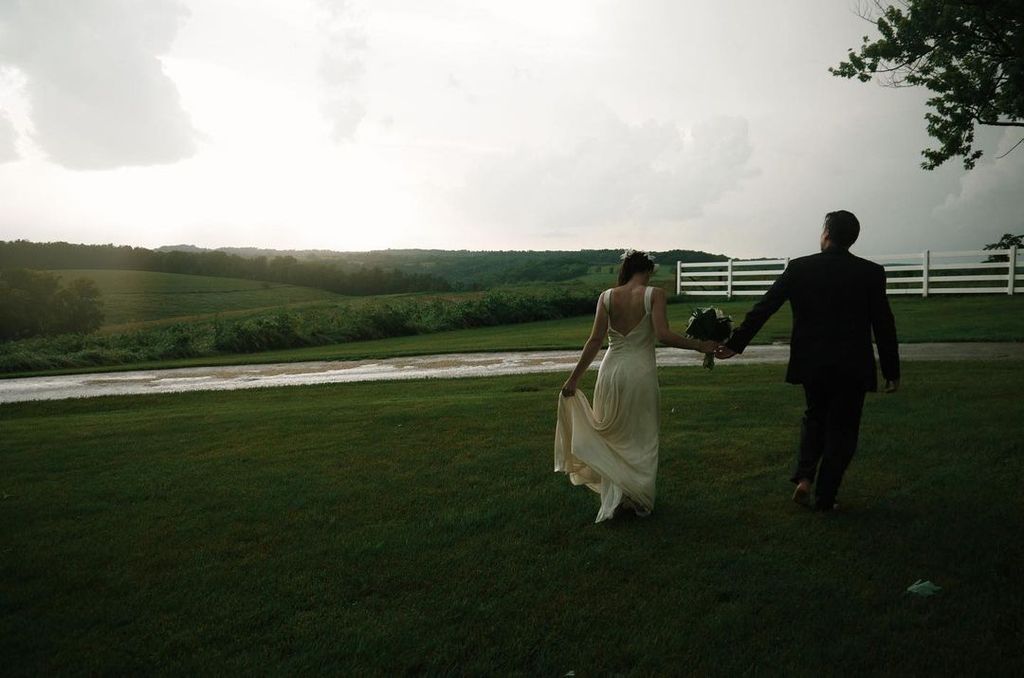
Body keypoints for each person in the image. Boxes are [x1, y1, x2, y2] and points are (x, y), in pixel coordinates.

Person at [716, 210, 900, 511]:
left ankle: (804, 477)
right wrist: (891, 370)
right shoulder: (871, 272)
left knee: (815, 416)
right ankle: (826, 496)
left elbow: (766, 306)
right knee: (844, 427)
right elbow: (883, 323)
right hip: (853, 363)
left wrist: (736, 344)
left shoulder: (800, 268)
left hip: (812, 360)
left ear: (826, 233)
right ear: (852, 238)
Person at [554, 249, 719, 522]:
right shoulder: (654, 294)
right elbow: (663, 334)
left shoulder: (606, 297)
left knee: (614, 437)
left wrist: (573, 379)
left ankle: (618, 499)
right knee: (641, 437)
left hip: (610, 372)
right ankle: (638, 499)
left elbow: (594, 341)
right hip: (639, 373)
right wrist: (700, 346)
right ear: (648, 271)